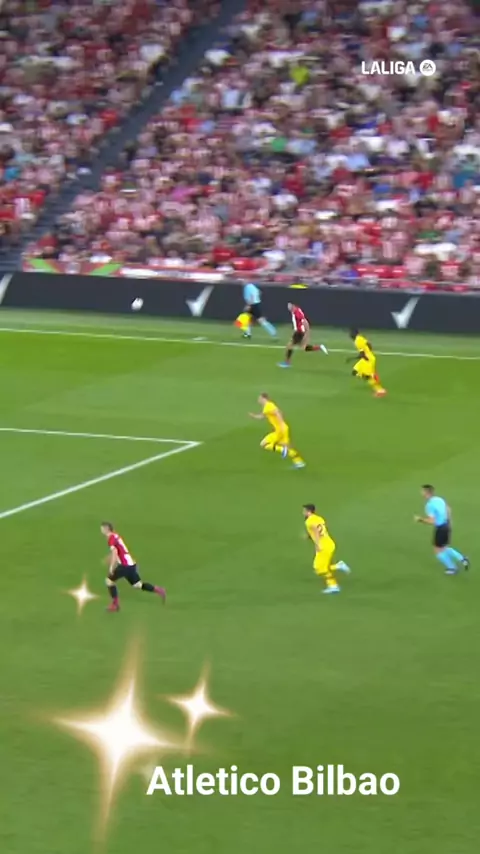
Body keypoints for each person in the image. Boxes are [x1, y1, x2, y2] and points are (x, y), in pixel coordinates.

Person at [101, 522, 166, 612]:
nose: (101, 530)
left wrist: (111, 567)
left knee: (109, 581)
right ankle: (159, 590)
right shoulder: (116, 536)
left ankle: (115, 605)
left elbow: (115, 553)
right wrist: (108, 558)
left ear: (106, 529)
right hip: (131, 565)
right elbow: (119, 551)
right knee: (138, 585)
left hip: (124, 566)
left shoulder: (111, 539)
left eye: (102, 528)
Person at [414, 486, 469, 575]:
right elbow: (448, 509)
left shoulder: (429, 505)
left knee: (438, 550)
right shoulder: (439, 499)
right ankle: (462, 559)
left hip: (440, 528)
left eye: (422, 491)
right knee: (444, 547)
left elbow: (432, 521)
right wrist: (450, 521)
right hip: (446, 525)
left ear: (427, 493)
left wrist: (420, 519)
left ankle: (452, 568)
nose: (421, 493)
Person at [303, 504, 350, 594]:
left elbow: (316, 531)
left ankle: (337, 571)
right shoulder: (319, 518)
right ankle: (334, 585)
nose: (303, 512)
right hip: (329, 543)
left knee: (319, 568)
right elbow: (320, 530)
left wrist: (317, 545)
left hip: (323, 546)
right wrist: (309, 536)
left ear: (309, 511)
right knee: (322, 568)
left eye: (304, 511)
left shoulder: (309, 521)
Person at [249, 393, 305, 469]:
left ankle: (282, 450)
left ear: (264, 398)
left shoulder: (268, 406)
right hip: (284, 428)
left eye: (259, 398)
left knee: (264, 444)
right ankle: (299, 462)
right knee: (288, 446)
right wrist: (254, 416)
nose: (258, 400)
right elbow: (263, 416)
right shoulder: (268, 406)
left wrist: (281, 424)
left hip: (280, 429)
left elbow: (277, 413)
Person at [278, 302, 328, 367]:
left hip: (299, 332)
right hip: (299, 332)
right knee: (304, 347)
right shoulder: (295, 311)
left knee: (289, 346)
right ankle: (320, 347)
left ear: (293, 305)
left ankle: (287, 363)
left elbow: (304, 321)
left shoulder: (297, 312)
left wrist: (307, 333)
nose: (288, 307)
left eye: (289, 305)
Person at [348, 329, 386, 397]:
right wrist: (368, 352)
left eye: (351, 333)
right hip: (367, 358)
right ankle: (373, 377)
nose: (350, 335)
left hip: (368, 360)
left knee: (368, 377)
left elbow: (362, 354)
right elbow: (369, 345)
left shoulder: (357, 341)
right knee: (355, 371)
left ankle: (380, 390)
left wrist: (352, 358)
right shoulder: (361, 338)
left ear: (354, 334)